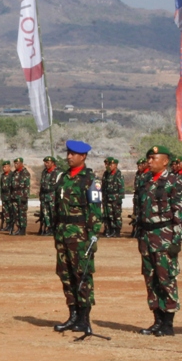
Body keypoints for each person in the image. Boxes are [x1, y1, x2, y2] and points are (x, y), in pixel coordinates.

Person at [134, 146, 182, 337]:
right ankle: (157, 320)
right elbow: (140, 211)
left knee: (166, 279)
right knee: (151, 280)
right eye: (148, 158)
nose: (149, 161)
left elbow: (180, 214)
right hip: (147, 238)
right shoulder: (145, 182)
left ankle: (168, 322)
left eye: (153, 158)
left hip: (164, 238)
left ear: (165, 161)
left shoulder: (174, 182)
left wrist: (176, 241)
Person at [52, 141, 103, 334]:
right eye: (68, 153)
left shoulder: (91, 181)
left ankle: (84, 318)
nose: (69, 157)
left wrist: (92, 237)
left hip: (81, 235)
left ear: (83, 157)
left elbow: (95, 212)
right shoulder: (62, 178)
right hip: (63, 234)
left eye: (73, 154)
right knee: (65, 275)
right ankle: (72, 315)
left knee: (82, 276)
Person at [102, 157, 124, 237]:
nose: (108, 166)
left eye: (111, 164)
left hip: (115, 198)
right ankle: (110, 230)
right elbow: (104, 186)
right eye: (108, 164)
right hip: (107, 197)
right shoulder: (106, 174)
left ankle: (117, 230)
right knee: (109, 215)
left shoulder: (118, 174)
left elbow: (121, 188)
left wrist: (119, 199)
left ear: (115, 165)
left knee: (116, 215)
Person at [129, 158, 150, 238]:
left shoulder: (149, 174)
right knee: (135, 214)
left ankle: (142, 231)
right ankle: (135, 230)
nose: (139, 167)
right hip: (137, 196)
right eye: (138, 165)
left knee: (143, 214)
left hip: (144, 197)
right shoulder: (138, 174)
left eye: (141, 165)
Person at [38, 156, 59, 236]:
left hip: (53, 196)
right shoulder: (44, 172)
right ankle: (49, 228)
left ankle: (54, 229)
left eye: (47, 162)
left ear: (52, 163)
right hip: (44, 196)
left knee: (53, 213)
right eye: (45, 162)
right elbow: (42, 184)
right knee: (45, 213)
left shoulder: (57, 172)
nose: (45, 164)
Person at [10, 157, 31, 236]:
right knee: (16, 213)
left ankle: (23, 229)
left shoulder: (25, 173)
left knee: (22, 213)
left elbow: (27, 186)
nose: (15, 165)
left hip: (22, 196)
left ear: (21, 164)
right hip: (14, 196)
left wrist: (25, 196)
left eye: (17, 163)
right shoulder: (14, 173)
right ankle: (18, 227)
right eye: (14, 163)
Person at [0, 160, 13, 231]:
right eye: (3, 167)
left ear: (9, 167)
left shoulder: (12, 175)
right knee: (5, 211)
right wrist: (1, 195)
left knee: (11, 211)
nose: (3, 168)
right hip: (4, 196)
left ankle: (11, 225)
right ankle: (7, 224)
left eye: (5, 167)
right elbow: (1, 186)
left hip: (10, 196)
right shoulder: (2, 176)